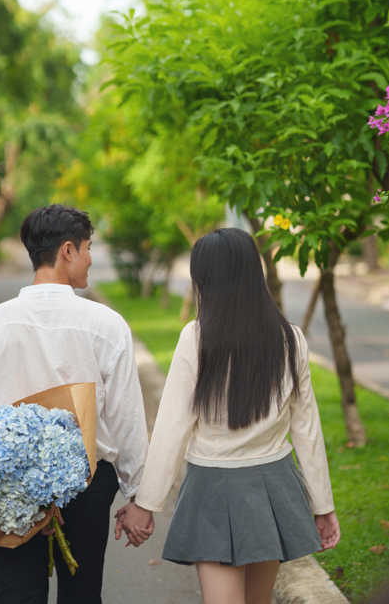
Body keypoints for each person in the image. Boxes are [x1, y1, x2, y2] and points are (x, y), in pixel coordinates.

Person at [115, 227, 340, 604]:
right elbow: (307, 431)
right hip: (273, 485)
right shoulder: (290, 339)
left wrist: (145, 503)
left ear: (204, 279)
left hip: (213, 487)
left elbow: (173, 426)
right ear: (254, 272)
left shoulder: (197, 337)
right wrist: (323, 505)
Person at [0, 204, 150, 604]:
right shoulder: (106, 325)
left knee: (15, 592)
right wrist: (138, 497)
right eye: (89, 248)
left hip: (10, 487)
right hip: (90, 483)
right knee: (81, 593)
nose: (91, 259)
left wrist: (17, 484)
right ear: (67, 251)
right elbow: (125, 416)